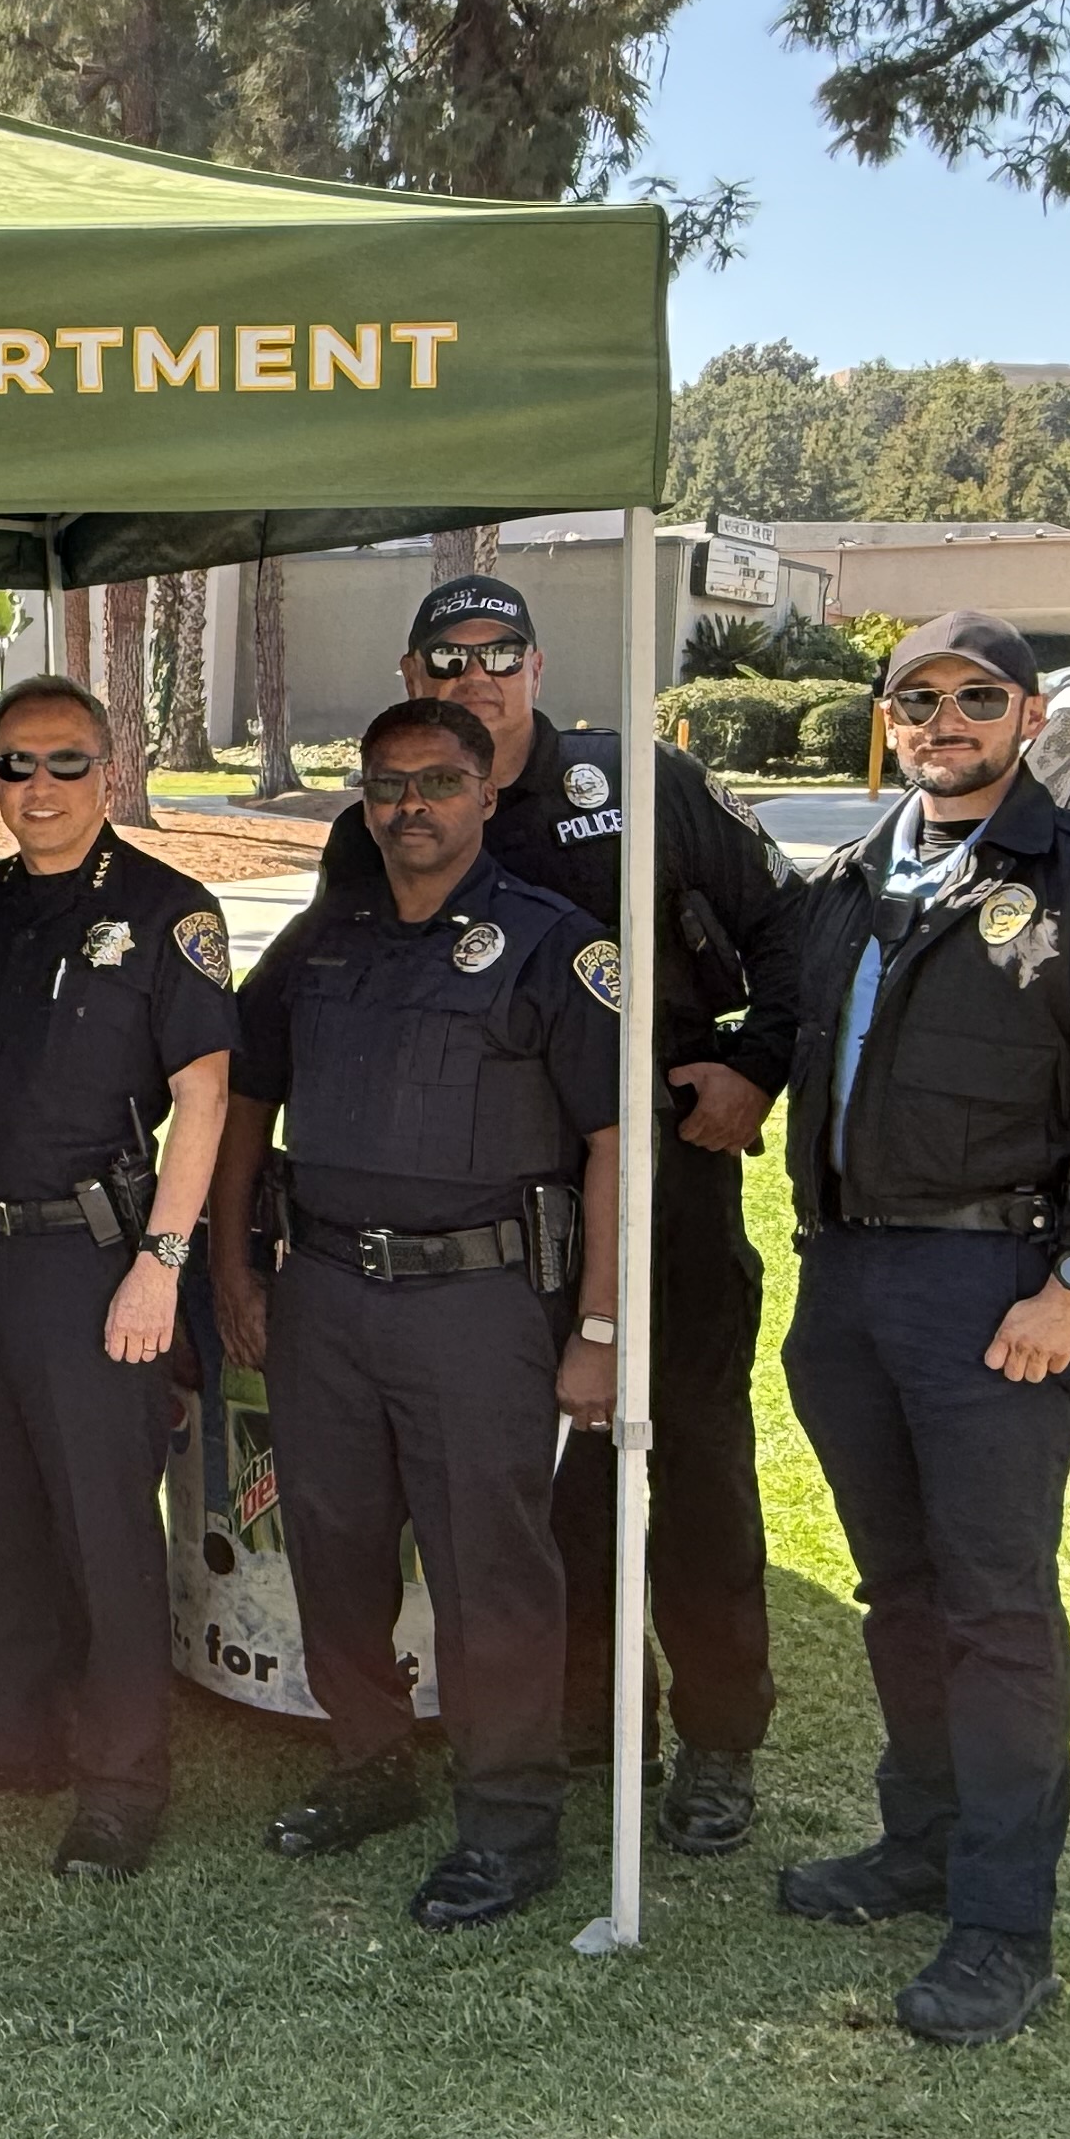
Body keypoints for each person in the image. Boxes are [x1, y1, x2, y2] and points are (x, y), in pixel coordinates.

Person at [773, 612, 1070, 2046]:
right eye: (920, 698)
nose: (946, 719)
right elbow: (778, 1033)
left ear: (1029, 718)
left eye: (977, 697)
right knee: (900, 1593)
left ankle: (1002, 1925)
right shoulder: (851, 881)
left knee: (995, 1609)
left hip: (1002, 1298)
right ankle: (918, 1844)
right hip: (848, 1285)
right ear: (890, 722)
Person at [314, 573, 802, 1849]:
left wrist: (757, 1065)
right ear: (414, 677)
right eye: (445, 658)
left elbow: (793, 926)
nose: (473, 676)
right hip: (497, 1218)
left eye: (499, 653)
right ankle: (587, 1719)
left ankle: (717, 1737)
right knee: (546, 1481)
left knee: (687, 1458)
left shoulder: (637, 784)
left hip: (663, 1172)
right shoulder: (390, 807)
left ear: (538, 665)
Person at [212, 697, 621, 1932]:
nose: (411, 808)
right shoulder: (321, 941)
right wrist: (235, 1271)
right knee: (332, 1547)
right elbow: (244, 1103)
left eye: (439, 782)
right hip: (325, 1292)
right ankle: (370, 1763)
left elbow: (616, 1146)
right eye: (388, 786)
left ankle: (510, 1821)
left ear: (487, 793)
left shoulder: (556, 944)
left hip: (480, 1301)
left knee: (489, 1566)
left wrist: (599, 1329)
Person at [0, 675, 235, 1880]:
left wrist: (164, 1265)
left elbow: (204, 1101)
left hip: (98, 1264)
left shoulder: (167, 910)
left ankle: (124, 1778)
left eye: (64, 764)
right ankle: (9, 1734)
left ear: (110, 765)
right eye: (13, 766)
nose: (36, 789)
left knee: (104, 1534)